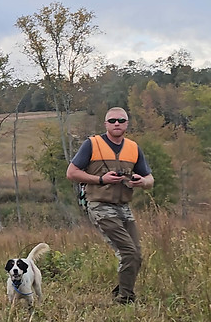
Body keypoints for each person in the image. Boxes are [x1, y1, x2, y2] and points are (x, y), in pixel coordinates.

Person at [66, 107, 154, 304]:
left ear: (127, 124)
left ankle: (121, 291)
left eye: (121, 120)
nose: (117, 124)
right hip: (99, 205)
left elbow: (150, 179)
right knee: (128, 251)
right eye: (112, 120)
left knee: (136, 255)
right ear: (105, 124)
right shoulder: (92, 144)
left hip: (124, 206)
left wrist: (142, 181)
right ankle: (125, 299)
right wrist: (100, 179)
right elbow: (71, 173)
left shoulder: (133, 148)